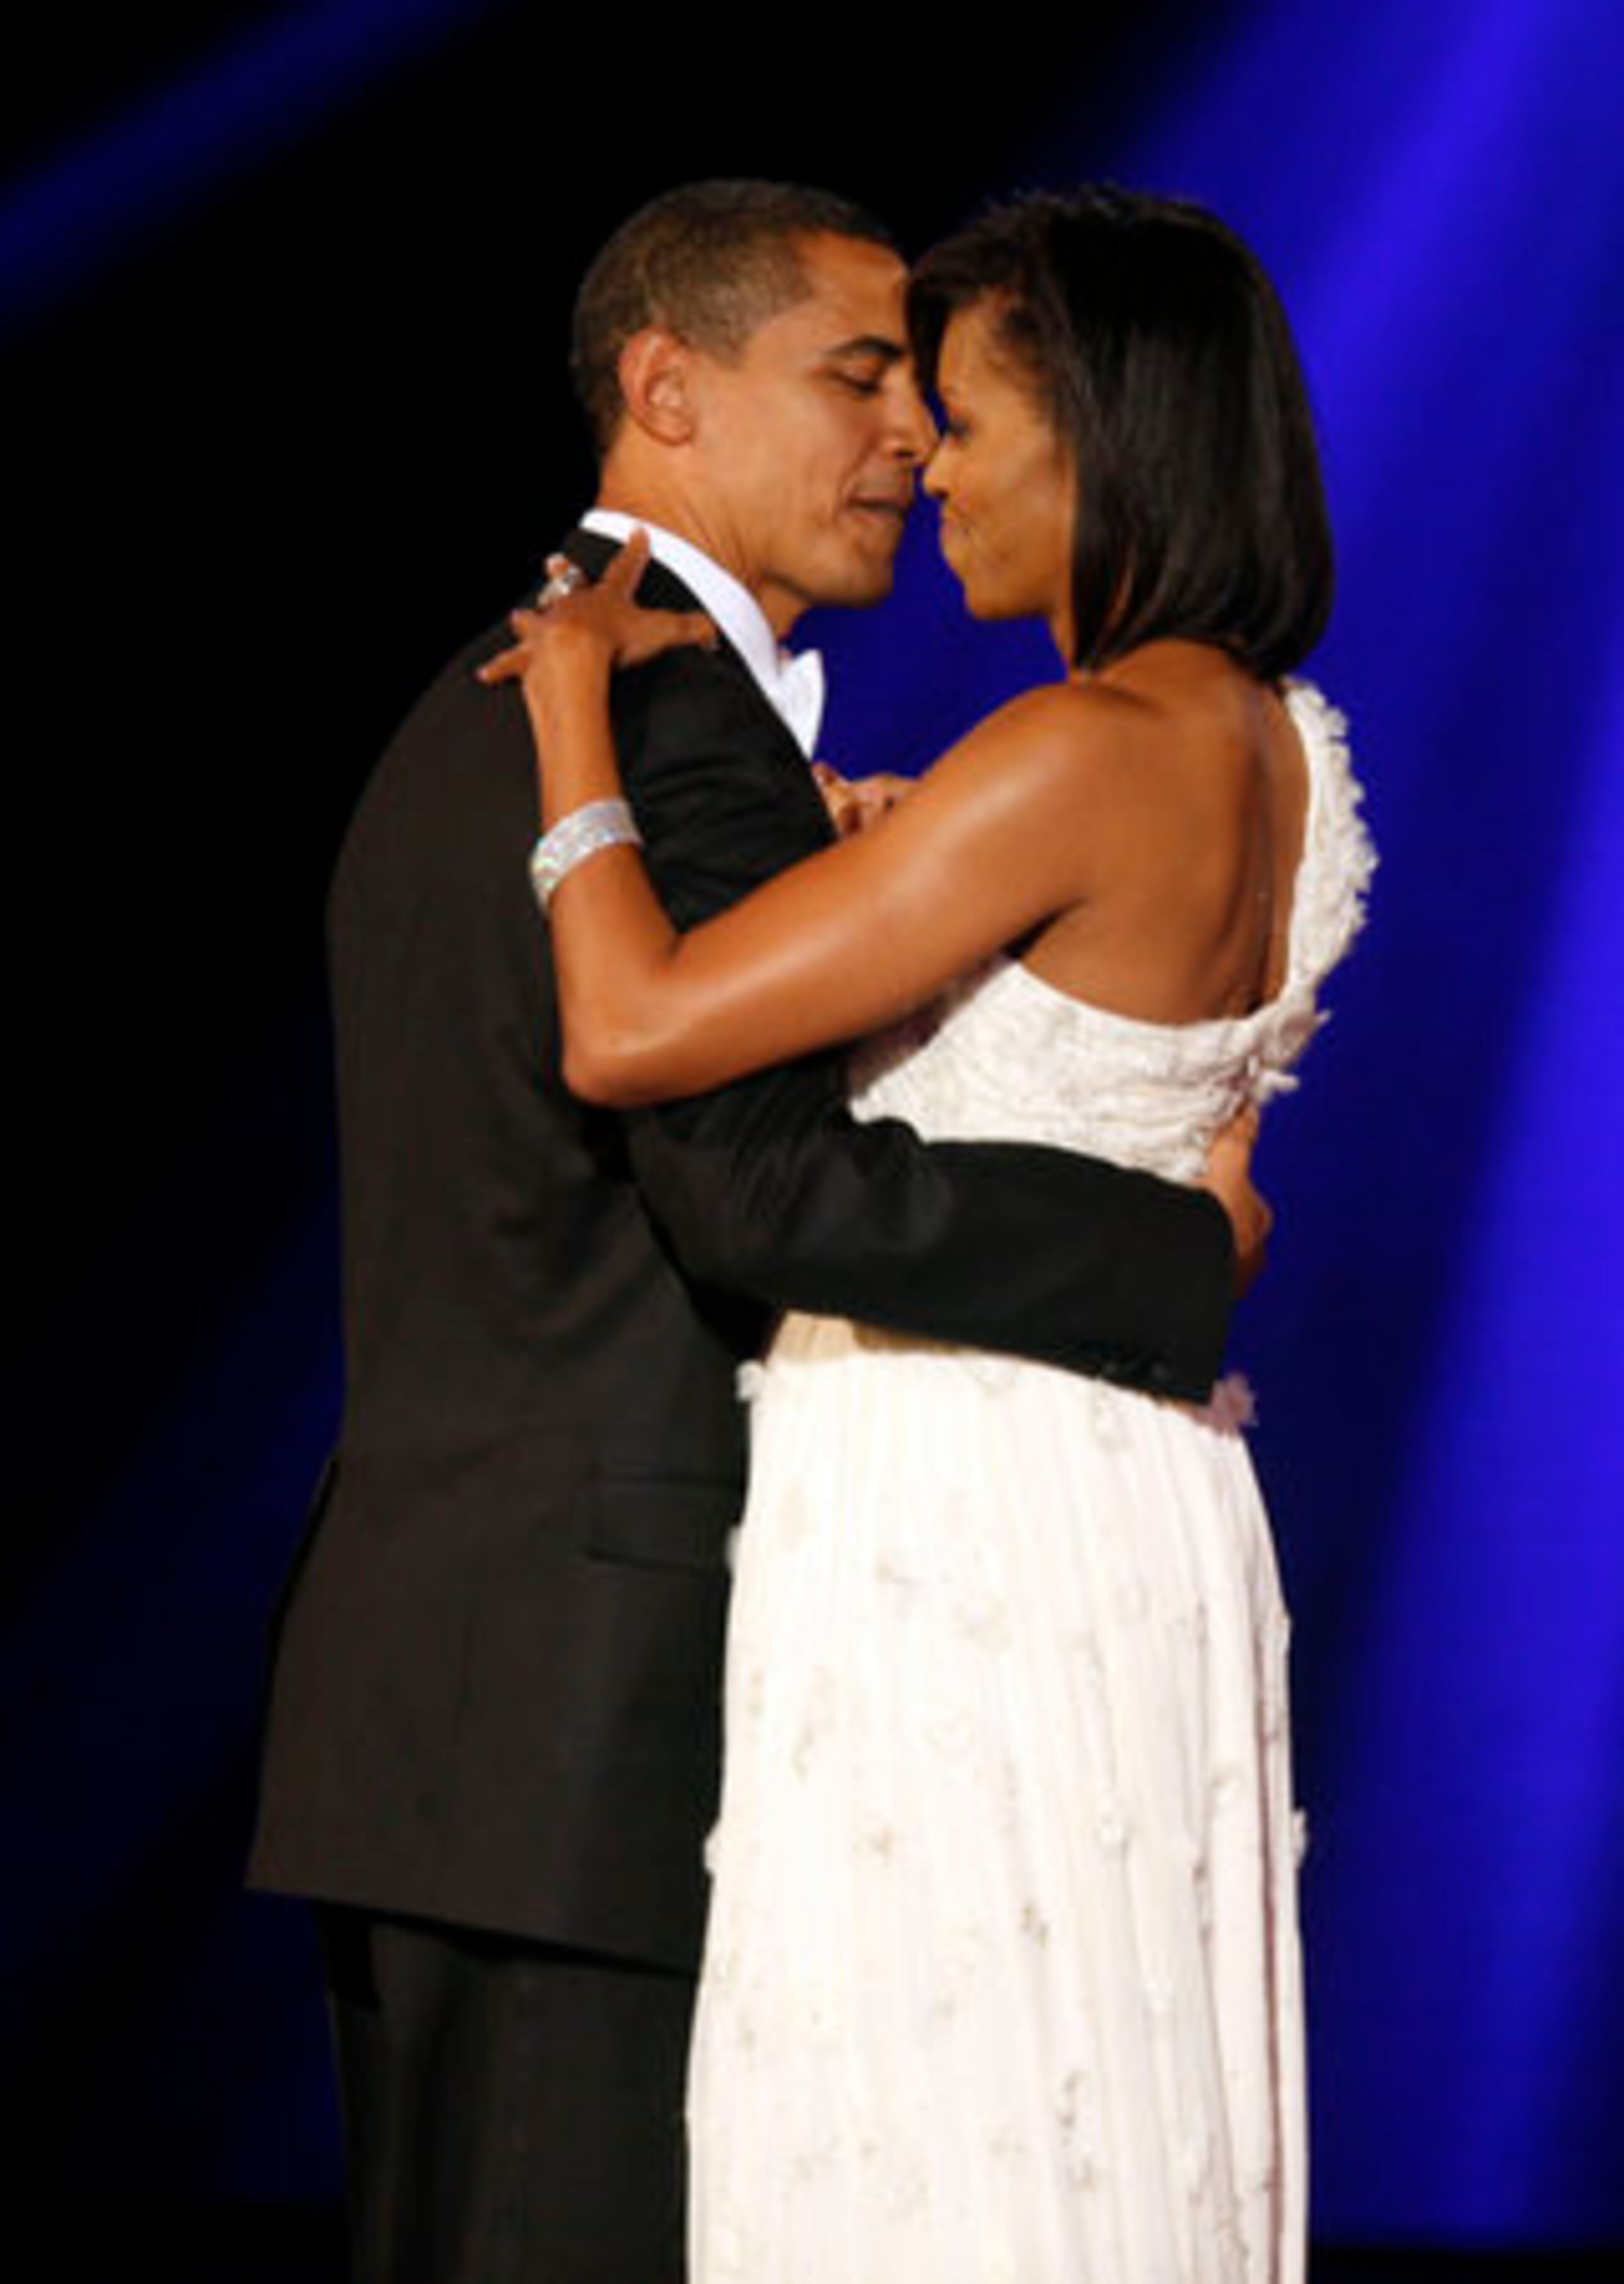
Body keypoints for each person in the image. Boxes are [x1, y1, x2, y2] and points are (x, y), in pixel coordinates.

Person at [248, 181, 1261, 2283]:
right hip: (593, 1723)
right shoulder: (661, 708)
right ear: (666, 389)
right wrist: (1174, 1250)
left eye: (932, 391)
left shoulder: (503, 684)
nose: (911, 435)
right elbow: (759, 1186)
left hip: (448, 1694)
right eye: (860, 374)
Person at [484, 186, 1373, 2280]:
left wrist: (566, 734)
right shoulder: (1281, 748)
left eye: (968, 418)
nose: (931, 465)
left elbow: (630, 1033)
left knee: (933, 2125)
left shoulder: (1077, 744)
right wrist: (886, 863)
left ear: (1111, 432)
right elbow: (1199, 1192)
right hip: (1148, 1507)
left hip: (956, 1518)